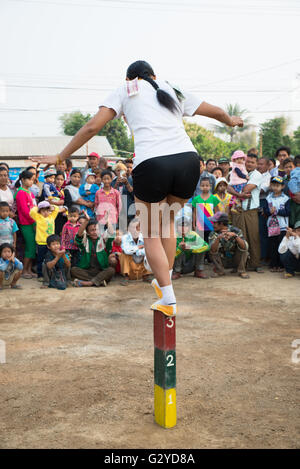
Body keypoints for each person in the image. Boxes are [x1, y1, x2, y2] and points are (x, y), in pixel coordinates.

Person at [30, 59, 243, 316]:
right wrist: (231, 121)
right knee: (167, 224)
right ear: (153, 75)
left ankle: (168, 296)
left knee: (152, 232)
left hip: (153, 164)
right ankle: (165, 284)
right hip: (188, 161)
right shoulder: (171, 88)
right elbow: (218, 112)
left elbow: (92, 127)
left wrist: (61, 156)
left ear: (129, 79)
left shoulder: (126, 90)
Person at [228, 153, 263, 272]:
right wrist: (238, 194)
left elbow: (246, 189)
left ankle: (255, 263)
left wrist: (236, 192)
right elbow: (228, 187)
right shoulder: (237, 170)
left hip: (250, 211)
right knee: (239, 238)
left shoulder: (256, 175)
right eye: (247, 161)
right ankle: (239, 265)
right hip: (237, 210)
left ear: (256, 164)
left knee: (253, 237)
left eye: (252, 162)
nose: (249, 164)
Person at [71, 215, 116, 287]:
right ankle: (98, 281)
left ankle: (88, 283)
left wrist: (107, 220)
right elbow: (79, 235)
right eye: (92, 230)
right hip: (87, 271)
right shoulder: (85, 240)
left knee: (111, 270)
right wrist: (86, 221)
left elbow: (111, 233)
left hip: (101, 271)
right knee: (73, 270)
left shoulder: (103, 239)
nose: (95, 232)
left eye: (97, 230)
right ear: (87, 232)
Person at [29, 201, 66, 280]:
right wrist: (39, 207)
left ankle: (51, 274)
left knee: (51, 258)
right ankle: (40, 275)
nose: (45, 213)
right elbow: (32, 211)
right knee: (41, 259)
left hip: (51, 244)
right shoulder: (38, 217)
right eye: (43, 211)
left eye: (47, 210)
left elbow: (56, 209)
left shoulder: (52, 217)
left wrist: (51, 206)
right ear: (40, 211)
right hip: (41, 243)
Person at [261, 176, 290, 272]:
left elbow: (288, 212)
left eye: (277, 185)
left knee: (281, 245)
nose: (275, 187)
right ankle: (273, 265)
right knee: (272, 246)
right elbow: (265, 211)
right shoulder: (268, 198)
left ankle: (281, 265)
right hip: (272, 226)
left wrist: (277, 211)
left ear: (282, 186)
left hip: (282, 227)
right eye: (273, 185)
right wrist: (269, 211)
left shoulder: (286, 199)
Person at [208, 212, 249, 279]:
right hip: (223, 261)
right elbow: (212, 250)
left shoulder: (236, 231)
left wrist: (235, 236)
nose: (213, 225)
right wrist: (218, 238)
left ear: (221, 223)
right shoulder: (213, 233)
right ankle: (220, 270)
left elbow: (244, 247)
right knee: (211, 249)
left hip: (235, 260)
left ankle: (242, 271)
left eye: (214, 223)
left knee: (244, 247)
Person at [14, 170, 37, 278]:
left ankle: (29, 269)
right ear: (23, 180)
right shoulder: (20, 192)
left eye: (33, 180)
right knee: (30, 246)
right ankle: (24, 271)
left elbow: (34, 208)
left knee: (32, 246)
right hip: (26, 223)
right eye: (29, 179)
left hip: (33, 222)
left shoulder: (30, 193)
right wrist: (35, 220)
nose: (31, 182)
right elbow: (24, 210)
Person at [172, 215, 209, 280]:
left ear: (189, 227)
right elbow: (169, 254)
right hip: (175, 266)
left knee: (201, 249)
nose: (183, 228)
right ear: (177, 227)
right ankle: (177, 272)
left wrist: (190, 247)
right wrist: (179, 249)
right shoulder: (173, 236)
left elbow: (206, 246)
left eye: (186, 225)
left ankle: (198, 270)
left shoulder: (193, 234)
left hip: (191, 264)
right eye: (181, 225)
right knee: (181, 248)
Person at [119, 218, 152, 285]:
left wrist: (137, 252)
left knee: (149, 253)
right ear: (129, 229)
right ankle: (126, 277)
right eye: (133, 227)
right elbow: (126, 251)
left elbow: (149, 249)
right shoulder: (125, 237)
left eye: (137, 227)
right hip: (131, 269)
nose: (135, 230)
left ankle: (146, 276)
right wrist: (138, 247)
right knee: (123, 254)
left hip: (142, 268)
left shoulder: (144, 237)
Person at [192, 177, 220, 241]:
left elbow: (217, 212)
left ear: (210, 186)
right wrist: (194, 224)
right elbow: (194, 213)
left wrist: (217, 224)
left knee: (211, 241)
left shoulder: (214, 198)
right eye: (203, 185)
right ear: (200, 187)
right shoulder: (196, 199)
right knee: (201, 243)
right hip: (200, 226)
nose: (205, 187)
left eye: (207, 185)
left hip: (211, 225)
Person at [112, 159, 135, 228]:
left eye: (122, 170)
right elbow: (111, 196)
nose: (120, 172)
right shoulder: (113, 182)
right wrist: (116, 184)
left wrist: (127, 184)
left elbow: (134, 195)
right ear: (115, 172)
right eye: (118, 170)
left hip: (129, 212)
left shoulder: (131, 180)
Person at [257, 157, 271, 263]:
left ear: (267, 166)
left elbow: (261, 190)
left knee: (263, 230)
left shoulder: (268, 177)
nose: (259, 166)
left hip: (263, 203)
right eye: (258, 164)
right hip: (253, 203)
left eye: (262, 164)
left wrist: (249, 190)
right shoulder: (254, 174)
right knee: (255, 231)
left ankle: (264, 256)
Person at [288, 155, 300, 228]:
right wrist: (297, 193)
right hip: (296, 198)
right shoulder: (297, 171)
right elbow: (292, 183)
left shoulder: (295, 171)